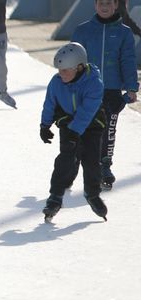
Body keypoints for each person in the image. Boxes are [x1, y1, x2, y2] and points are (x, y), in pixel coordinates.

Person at [70, 0, 138, 190]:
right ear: (95, 5)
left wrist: (132, 87)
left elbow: (128, 60)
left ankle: (105, 165)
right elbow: (73, 59)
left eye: (109, 3)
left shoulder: (124, 33)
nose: (105, 7)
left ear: (116, 5)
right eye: (101, 3)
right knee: (85, 130)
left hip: (112, 89)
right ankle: (82, 165)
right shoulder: (83, 30)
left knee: (108, 129)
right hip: (86, 89)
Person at [40, 42, 109, 221]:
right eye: (59, 70)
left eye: (65, 70)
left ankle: (92, 194)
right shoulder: (56, 82)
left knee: (91, 161)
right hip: (68, 122)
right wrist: (44, 125)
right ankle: (55, 196)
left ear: (79, 67)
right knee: (66, 159)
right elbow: (50, 103)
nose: (60, 74)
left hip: (92, 124)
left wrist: (74, 131)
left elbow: (87, 110)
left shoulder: (94, 83)